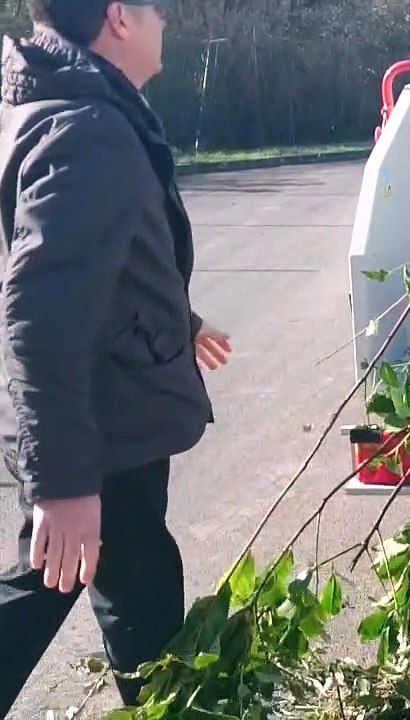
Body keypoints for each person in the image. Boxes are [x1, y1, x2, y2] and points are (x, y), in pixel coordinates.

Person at [0, 0, 233, 713]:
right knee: (118, 596)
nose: (169, 21)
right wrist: (65, 481)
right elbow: (43, 311)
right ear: (119, 18)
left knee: (84, 584)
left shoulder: (70, 103)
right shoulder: (86, 128)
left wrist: (178, 319)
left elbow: (104, 259)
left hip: (101, 415)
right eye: (158, 8)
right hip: (100, 430)